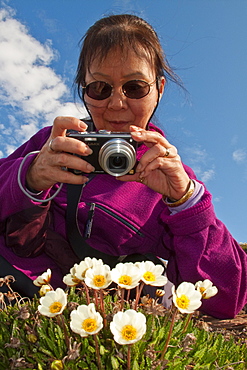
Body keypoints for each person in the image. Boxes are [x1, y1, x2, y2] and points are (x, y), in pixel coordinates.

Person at [0, 14, 246, 319]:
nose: (117, 104)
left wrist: (187, 204)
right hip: (21, 294)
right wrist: (29, 177)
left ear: (159, 88)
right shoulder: (55, 145)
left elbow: (228, 298)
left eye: (135, 87)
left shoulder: (172, 180)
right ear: (84, 90)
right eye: (100, 88)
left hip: (110, 323)